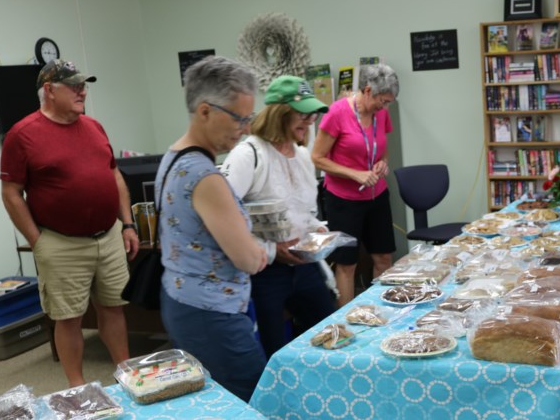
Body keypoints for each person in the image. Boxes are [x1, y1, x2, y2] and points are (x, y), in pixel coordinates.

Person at [0, 59, 137, 387]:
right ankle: (77, 385)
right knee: (68, 318)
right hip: (60, 242)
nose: (82, 91)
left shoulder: (94, 126)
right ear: (49, 90)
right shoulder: (23, 134)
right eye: (73, 85)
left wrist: (128, 224)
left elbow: (113, 173)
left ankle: (126, 373)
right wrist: (37, 241)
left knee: (114, 307)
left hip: (108, 235)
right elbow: (11, 192)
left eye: (84, 85)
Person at [156, 56, 268, 401]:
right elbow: (248, 259)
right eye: (239, 117)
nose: (246, 128)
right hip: (212, 314)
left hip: (182, 301)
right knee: (254, 399)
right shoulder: (205, 177)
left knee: (211, 401)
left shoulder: (175, 156)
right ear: (205, 111)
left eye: (249, 118)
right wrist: (264, 251)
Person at [222, 75, 336, 357]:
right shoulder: (247, 156)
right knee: (272, 349)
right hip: (264, 271)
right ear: (279, 113)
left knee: (330, 335)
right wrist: (271, 250)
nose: (309, 121)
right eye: (302, 114)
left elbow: (303, 210)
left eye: (311, 115)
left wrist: (316, 230)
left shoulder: (301, 156)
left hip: (303, 264)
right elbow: (224, 220)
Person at [312, 64, 399, 306]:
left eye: (389, 102)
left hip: (377, 196)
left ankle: (385, 312)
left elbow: (383, 150)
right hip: (344, 201)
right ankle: (346, 325)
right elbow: (317, 158)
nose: (385, 107)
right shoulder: (337, 113)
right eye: (383, 100)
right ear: (368, 90)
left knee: (383, 257)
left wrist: (383, 164)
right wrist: (355, 174)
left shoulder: (381, 113)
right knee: (347, 264)